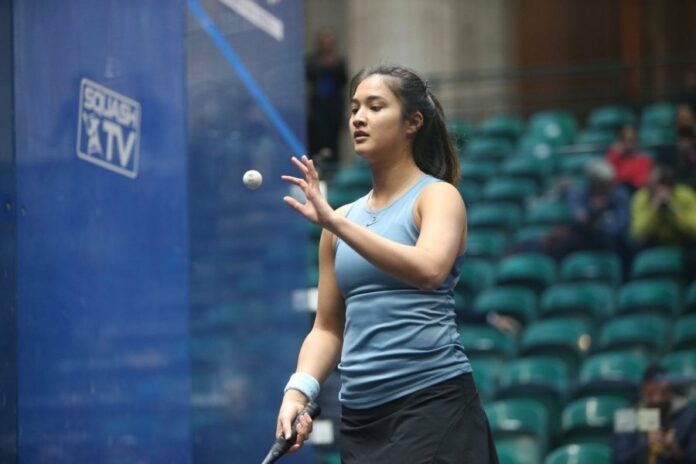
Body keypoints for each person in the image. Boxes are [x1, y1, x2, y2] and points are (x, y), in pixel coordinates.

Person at [275, 65, 498, 463]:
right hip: (361, 420)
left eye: (375, 107)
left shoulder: (437, 197)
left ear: (413, 122)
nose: (359, 118)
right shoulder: (340, 220)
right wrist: (298, 392)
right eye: (354, 108)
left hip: (433, 405)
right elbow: (327, 328)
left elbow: (430, 270)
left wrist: (336, 224)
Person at [612, 365, 696, 463]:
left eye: (664, 392)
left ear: (670, 390)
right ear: (642, 391)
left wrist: (676, 451)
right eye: (651, 393)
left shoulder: (689, 415)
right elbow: (619, 460)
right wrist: (646, 446)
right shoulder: (626, 416)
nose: (657, 399)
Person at [306, 29, 348, 175]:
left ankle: (332, 173)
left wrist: (335, 66)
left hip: (334, 107)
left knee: (333, 142)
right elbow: (309, 77)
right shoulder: (312, 60)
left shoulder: (339, 60)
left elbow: (344, 80)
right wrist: (323, 66)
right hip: (318, 108)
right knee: (317, 140)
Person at [630, 166, 696, 247]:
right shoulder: (642, 197)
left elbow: (694, 227)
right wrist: (653, 210)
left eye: (654, 184)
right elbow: (638, 233)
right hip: (653, 244)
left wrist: (674, 209)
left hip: (683, 242)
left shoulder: (685, 195)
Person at [605, 124, 654, 192]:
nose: (630, 145)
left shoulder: (644, 159)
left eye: (633, 141)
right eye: (626, 140)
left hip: (639, 191)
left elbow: (642, 181)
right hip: (620, 190)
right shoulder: (614, 156)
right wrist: (615, 153)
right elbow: (609, 177)